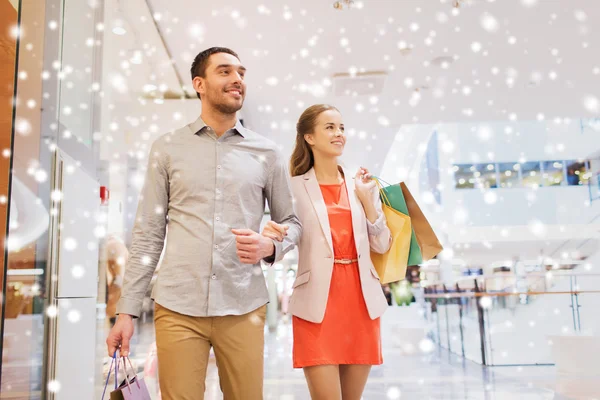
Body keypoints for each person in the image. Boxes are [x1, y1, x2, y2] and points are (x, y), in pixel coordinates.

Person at [105, 47, 301, 400]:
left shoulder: (267, 153)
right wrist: (126, 311)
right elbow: (148, 235)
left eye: (241, 72)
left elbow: (291, 222)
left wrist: (270, 246)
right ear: (199, 83)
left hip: (243, 304)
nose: (237, 79)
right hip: (178, 305)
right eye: (225, 71)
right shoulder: (166, 148)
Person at [262, 104, 391, 399]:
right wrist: (272, 238)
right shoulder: (293, 186)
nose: (339, 134)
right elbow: (287, 234)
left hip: (361, 302)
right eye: (330, 127)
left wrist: (368, 201)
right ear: (309, 137)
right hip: (316, 304)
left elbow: (382, 245)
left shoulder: (361, 184)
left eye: (342, 128)